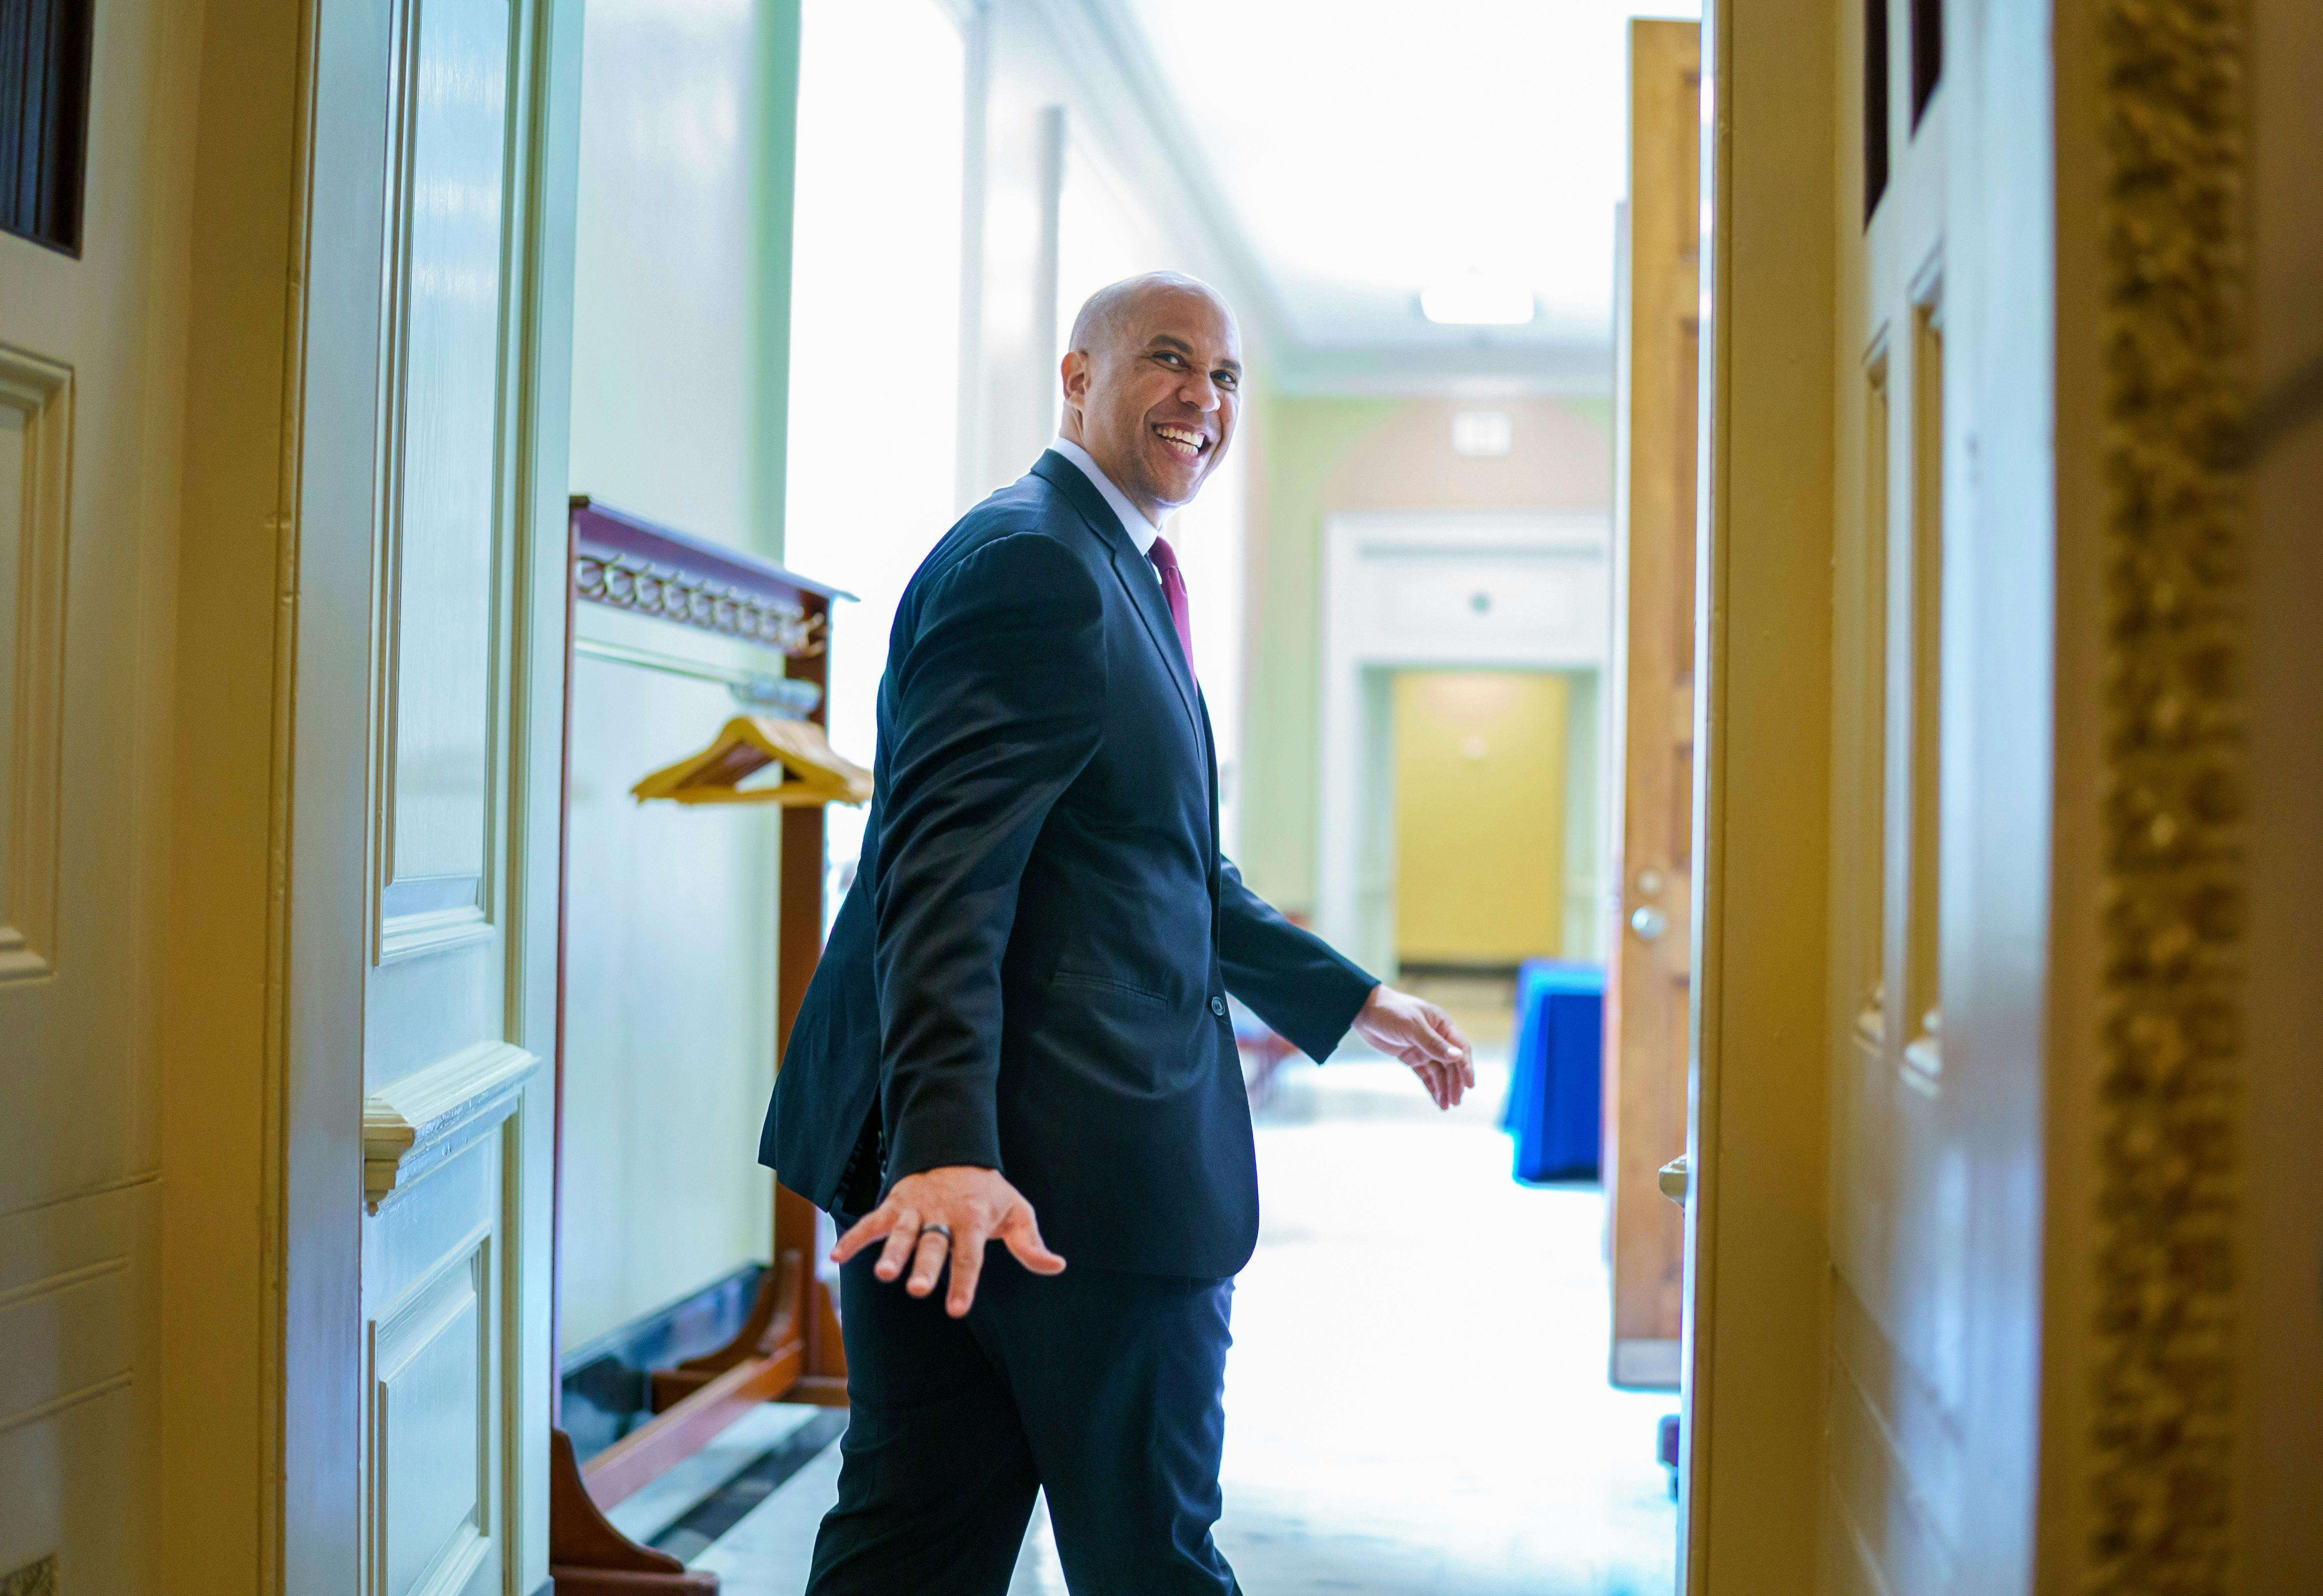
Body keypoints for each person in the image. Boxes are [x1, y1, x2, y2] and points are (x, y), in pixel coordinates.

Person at [759, 271, 1473, 1594]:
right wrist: (950, 1153)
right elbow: (940, 876)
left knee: (913, 1551)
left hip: (995, 1182)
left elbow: (1155, 861)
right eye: (1166, 360)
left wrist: (1347, 997)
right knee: (1145, 1559)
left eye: (1225, 376)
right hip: (1054, 1188)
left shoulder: (1105, 561)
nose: (1203, 397)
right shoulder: (1038, 562)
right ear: (1078, 378)